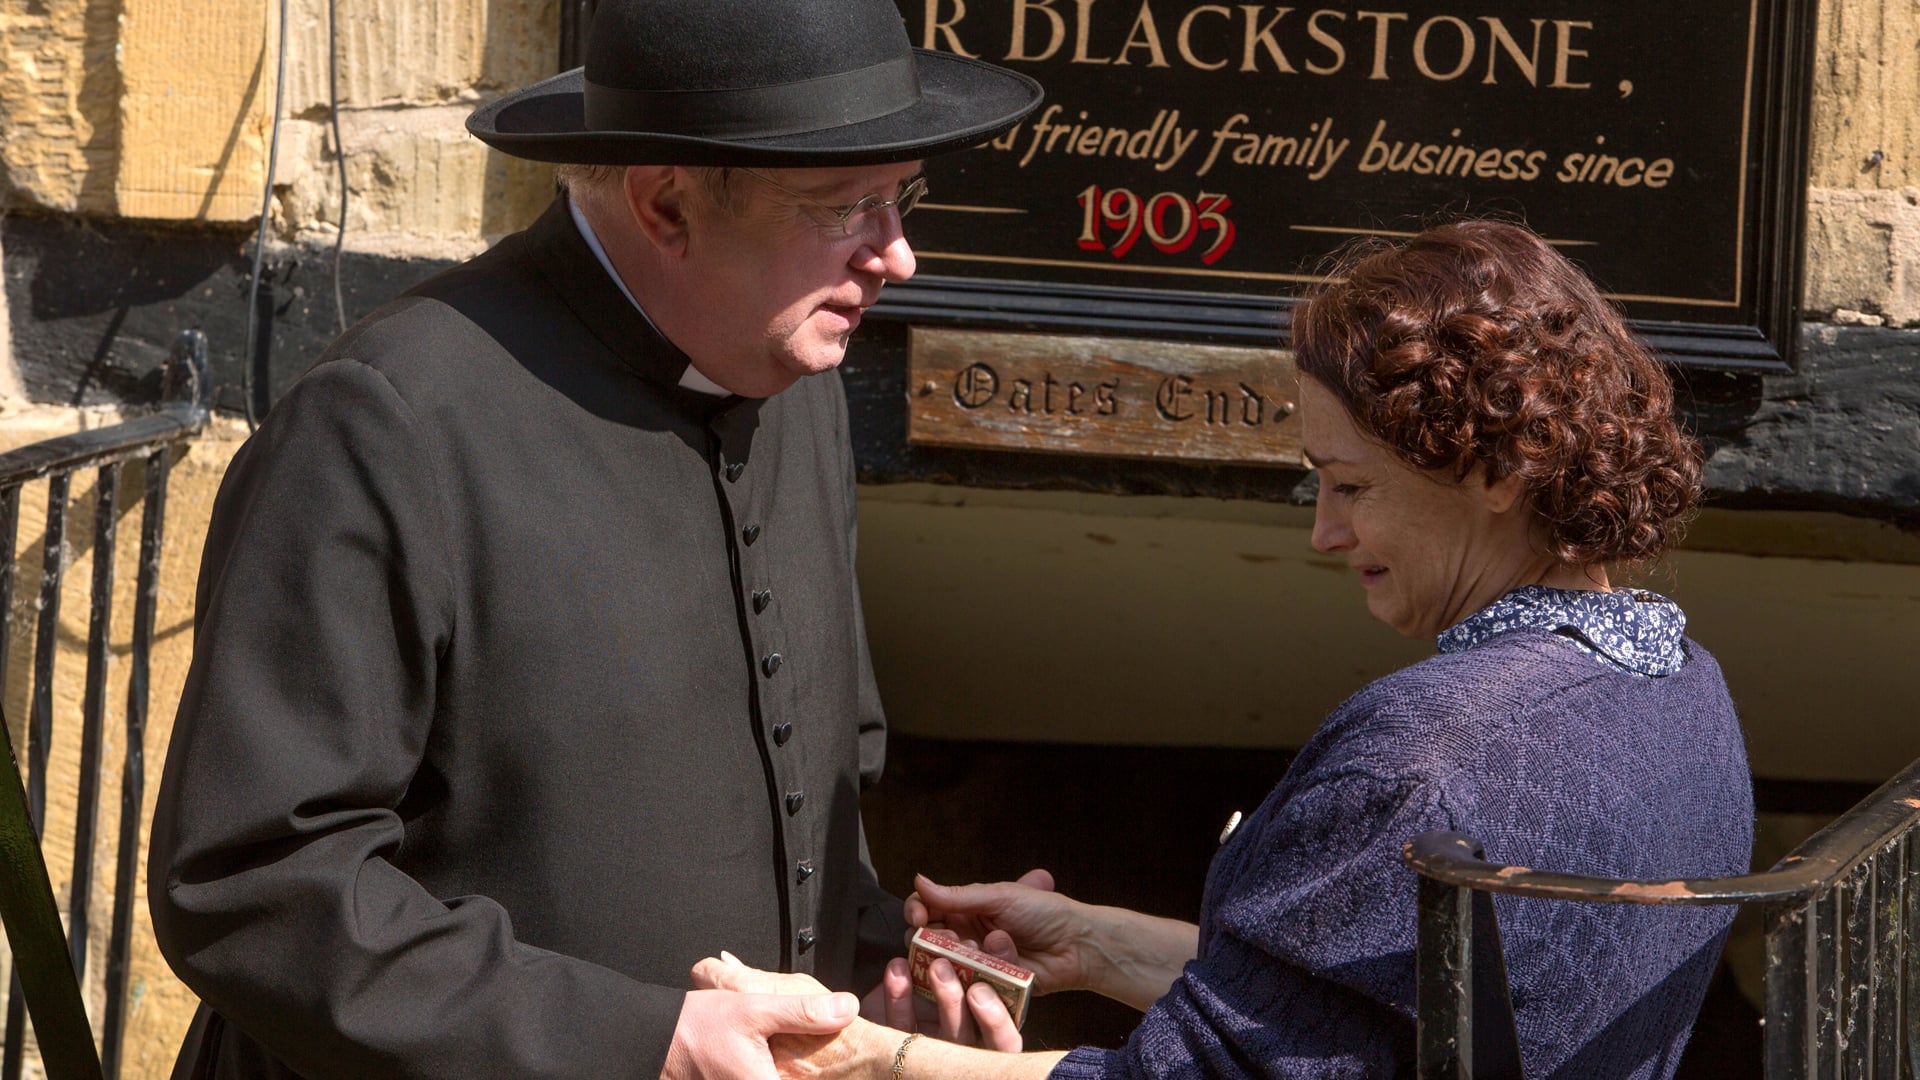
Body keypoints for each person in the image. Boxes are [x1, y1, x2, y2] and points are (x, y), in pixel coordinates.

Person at [145, 0, 1041, 1076]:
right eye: (844, 207)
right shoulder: (391, 418)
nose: (897, 254)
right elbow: (250, 880)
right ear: (666, 204)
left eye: (902, 197)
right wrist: (639, 1042)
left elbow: (808, 811)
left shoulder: (801, 384)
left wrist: (893, 978)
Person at [696, 219, 1755, 1079]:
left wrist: (857, 1058)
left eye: (1351, 486)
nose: (1325, 533)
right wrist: (1098, 943)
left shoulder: (1428, 756)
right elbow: (1368, 1022)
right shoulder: (1680, 692)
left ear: (1498, 473)